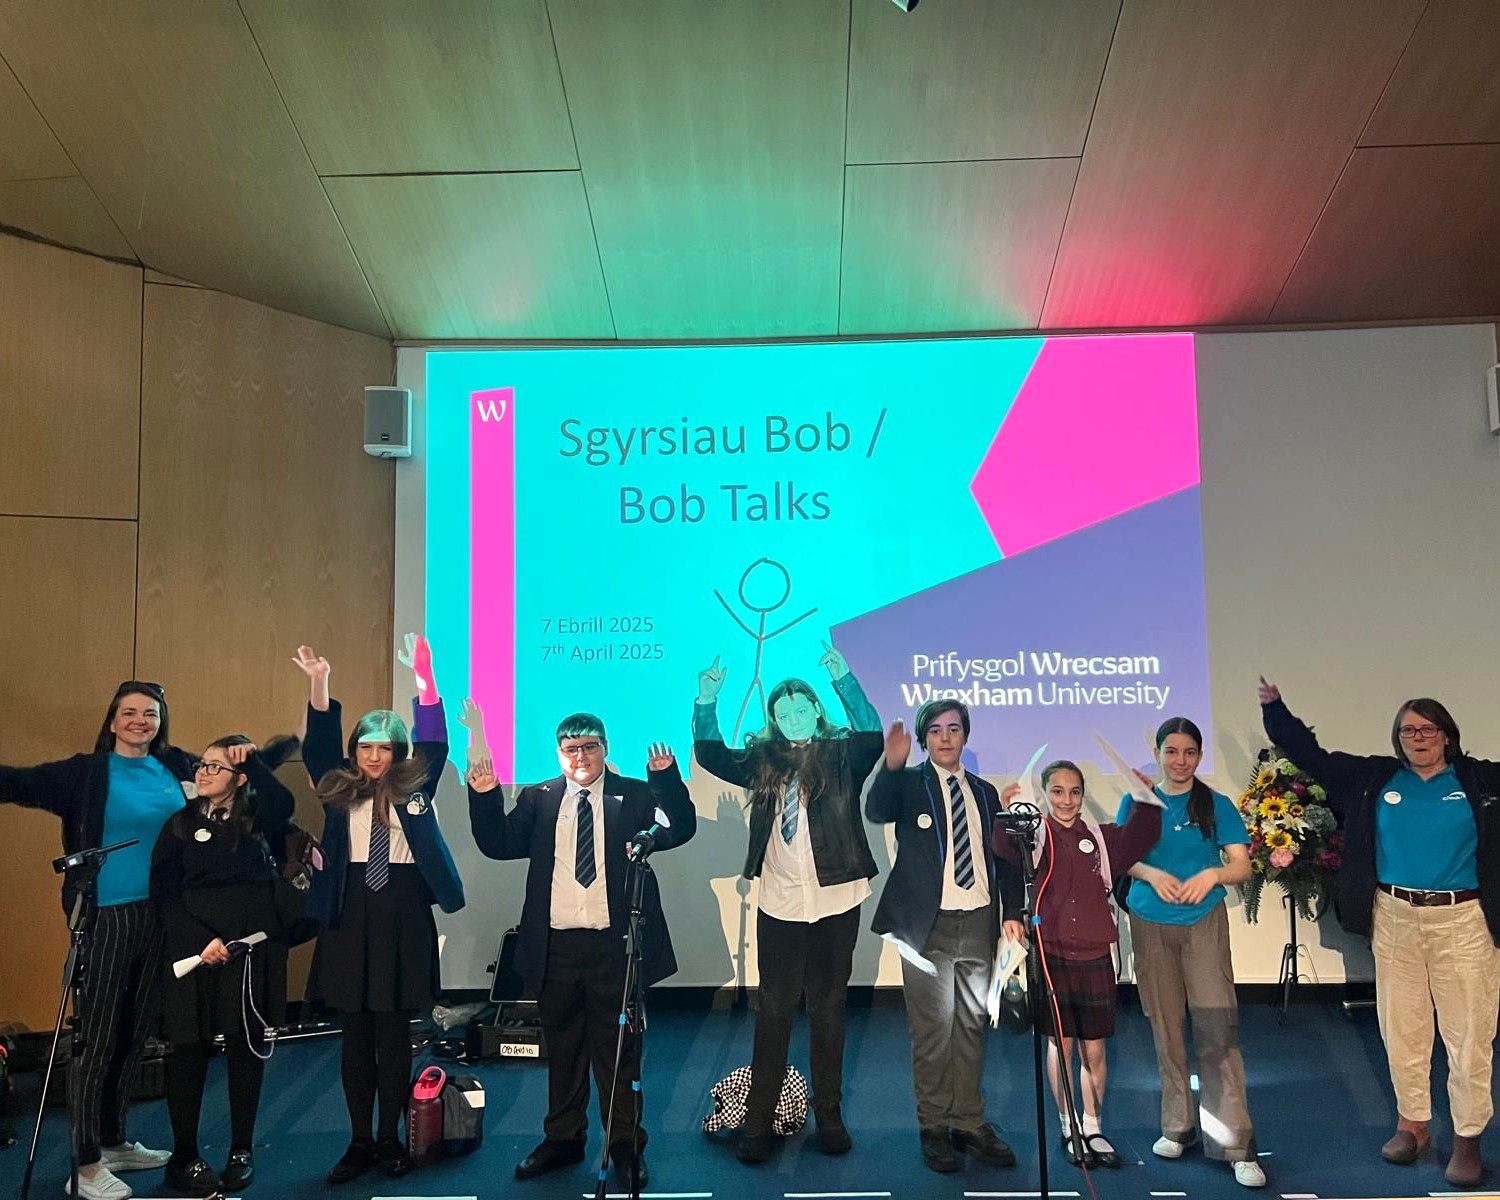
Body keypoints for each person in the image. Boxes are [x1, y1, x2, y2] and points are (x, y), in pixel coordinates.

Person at [1260, 678, 1500, 1189]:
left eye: (1428, 728)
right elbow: (1314, 758)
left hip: (1463, 921)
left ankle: (1467, 1139)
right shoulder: (1375, 779)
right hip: (1396, 918)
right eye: (1408, 729)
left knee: (1469, 1036)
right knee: (1402, 1030)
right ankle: (1412, 1126)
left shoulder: (1481, 782)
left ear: (1447, 734)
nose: (1418, 737)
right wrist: (1277, 711)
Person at [466, 702, 697, 1187]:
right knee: (565, 1050)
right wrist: (484, 796)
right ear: (558, 754)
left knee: (619, 1054)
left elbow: (679, 828)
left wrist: (667, 779)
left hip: (616, 948)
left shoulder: (632, 796)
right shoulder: (540, 798)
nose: (580, 757)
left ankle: (625, 1145)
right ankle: (564, 1140)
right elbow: (499, 843)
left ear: (605, 749)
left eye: (589, 747)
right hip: (556, 948)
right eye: (571, 749)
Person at [0, 681, 193, 1200]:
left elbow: (236, 781)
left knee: (135, 1032)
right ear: (112, 721)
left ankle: (112, 1140)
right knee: (99, 1037)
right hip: (106, 915)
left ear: (160, 721)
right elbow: (15, 782)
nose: (139, 721)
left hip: (162, 914)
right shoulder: (85, 773)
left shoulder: (176, 766)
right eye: (128, 713)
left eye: (149, 714)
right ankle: (83, 1167)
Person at [692, 639, 882, 1164]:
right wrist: (706, 701)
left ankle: (829, 1116)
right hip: (779, 901)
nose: (795, 717)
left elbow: (872, 734)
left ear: (817, 712)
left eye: (803, 708)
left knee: (828, 1009)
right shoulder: (763, 760)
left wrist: (845, 679)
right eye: (784, 711)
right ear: (773, 719)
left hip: (837, 898)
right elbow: (709, 756)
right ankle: (758, 1122)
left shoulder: (843, 754)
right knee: (773, 1010)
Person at [294, 636, 465, 1185]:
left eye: (384, 747)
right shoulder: (337, 788)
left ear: (397, 753)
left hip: (402, 910)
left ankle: (391, 1137)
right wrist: (320, 684)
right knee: (355, 1035)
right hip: (350, 913)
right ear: (355, 751)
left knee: (393, 1034)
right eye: (365, 746)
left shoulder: (415, 784)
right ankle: (358, 1140)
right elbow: (318, 748)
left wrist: (425, 680)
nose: (373, 756)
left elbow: (435, 742)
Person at [867, 699, 1021, 1173]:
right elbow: (877, 809)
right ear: (924, 739)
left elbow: (1005, 859)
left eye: (954, 729)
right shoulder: (911, 784)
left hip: (977, 921)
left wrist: (1012, 914)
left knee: (972, 1027)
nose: (946, 737)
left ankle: (969, 1123)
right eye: (935, 731)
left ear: (965, 735)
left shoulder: (985, 792)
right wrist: (891, 764)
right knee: (933, 1032)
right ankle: (933, 1126)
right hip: (924, 928)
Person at [994, 759, 1161, 1171]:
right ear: (1045, 794)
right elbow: (1002, 850)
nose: (1066, 800)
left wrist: (1145, 796)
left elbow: (1144, 834)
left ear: (1082, 796)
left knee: (1094, 1048)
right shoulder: (1033, 836)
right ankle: (1068, 1125)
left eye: (1074, 792)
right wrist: (1006, 811)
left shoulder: (1101, 840)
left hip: (1095, 956)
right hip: (1051, 957)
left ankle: (1093, 1124)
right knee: (1061, 1043)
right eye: (1057, 791)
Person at [149, 735, 299, 1196]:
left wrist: (252, 758)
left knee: (244, 1049)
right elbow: (165, 894)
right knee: (188, 1053)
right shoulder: (178, 824)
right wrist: (202, 941)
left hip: (247, 953)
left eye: (216, 767)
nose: (204, 773)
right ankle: (185, 1155)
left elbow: (283, 801)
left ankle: (241, 1148)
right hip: (193, 954)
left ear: (238, 779)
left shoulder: (259, 820)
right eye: (202, 766)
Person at [1119, 716, 1262, 1189]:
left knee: (1217, 1030)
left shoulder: (1215, 804)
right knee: (1165, 1030)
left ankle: (1235, 1144)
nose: (1180, 761)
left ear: (1199, 757)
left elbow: (1241, 864)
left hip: (1202, 924)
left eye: (1189, 753)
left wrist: (1212, 876)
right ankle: (1177, 1126)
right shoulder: (1138, 801)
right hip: (1149, 923)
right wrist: (1149, 875)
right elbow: (1123, 857)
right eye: (1171, 751)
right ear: (1158, 753)